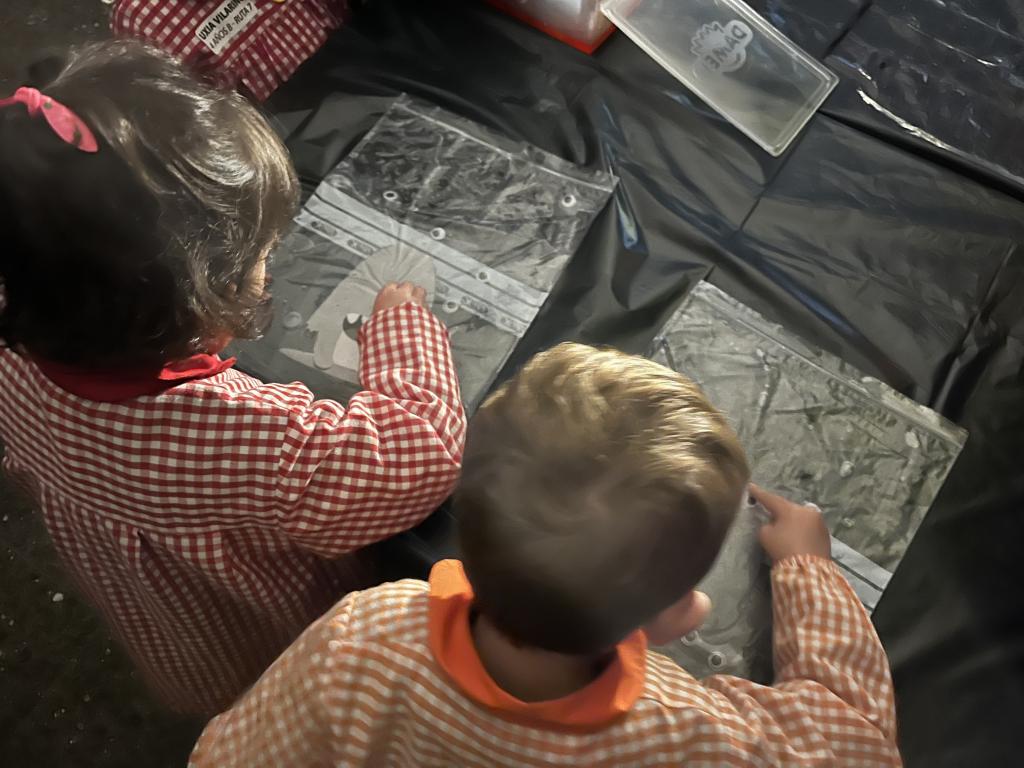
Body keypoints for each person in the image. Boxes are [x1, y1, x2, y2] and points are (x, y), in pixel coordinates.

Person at [0, 40, 465, 715]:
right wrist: (402, 327)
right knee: (264, 688)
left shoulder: (20, 309)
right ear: (196, 302)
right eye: (262, 255)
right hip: (259, 638)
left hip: (155, 612)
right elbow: (417, 456)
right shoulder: (249, 440)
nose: (269, 264)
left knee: (184, 653)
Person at [190, 343, 902, 767]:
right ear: (678, 617)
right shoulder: (687, 733)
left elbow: (228, 758)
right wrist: (809, 571)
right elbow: (858, 748)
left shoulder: (362, 638)